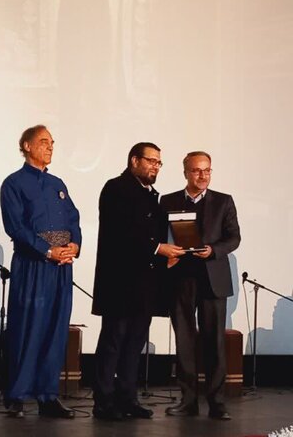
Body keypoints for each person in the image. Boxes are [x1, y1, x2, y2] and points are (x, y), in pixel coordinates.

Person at [91, 142, 184, 421]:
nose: (156, 166)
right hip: (120, 283)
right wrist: (158, 248)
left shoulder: (151, 195)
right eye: (151, 161)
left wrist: (168, 255)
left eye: (159, 162)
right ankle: (104, 401)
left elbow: (156, 233)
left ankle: (127, 398)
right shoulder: (116, 188)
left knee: (134, 344)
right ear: (134, 160)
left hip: (145, 284)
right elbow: (121, 232)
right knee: (113, 342)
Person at [0, 125, 81, 419]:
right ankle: (17, 395)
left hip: (61, 267)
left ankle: (48, 395)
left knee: (56, 330)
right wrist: (47, 250)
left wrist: (74, 245)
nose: (50, 147)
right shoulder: (13, 183)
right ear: (26, 145)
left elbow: (73, 218)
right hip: (33, 264)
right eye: (44, 142)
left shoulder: (57, 183)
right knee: (27, 329)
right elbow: (16, 227)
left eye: (52, 142)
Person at [160, 151, 240, 420]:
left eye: (207, 170)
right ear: (186, 173)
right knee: (184, 341)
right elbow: (160, 235)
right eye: (196, 170)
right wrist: (166, 253)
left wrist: (213, 250)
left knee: (214, 342)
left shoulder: (224, 201)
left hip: (213, 279)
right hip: (180, 279)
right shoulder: (168, 200)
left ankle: (217, 402)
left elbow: (234, 238)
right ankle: (188, 401)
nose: (203, 175)